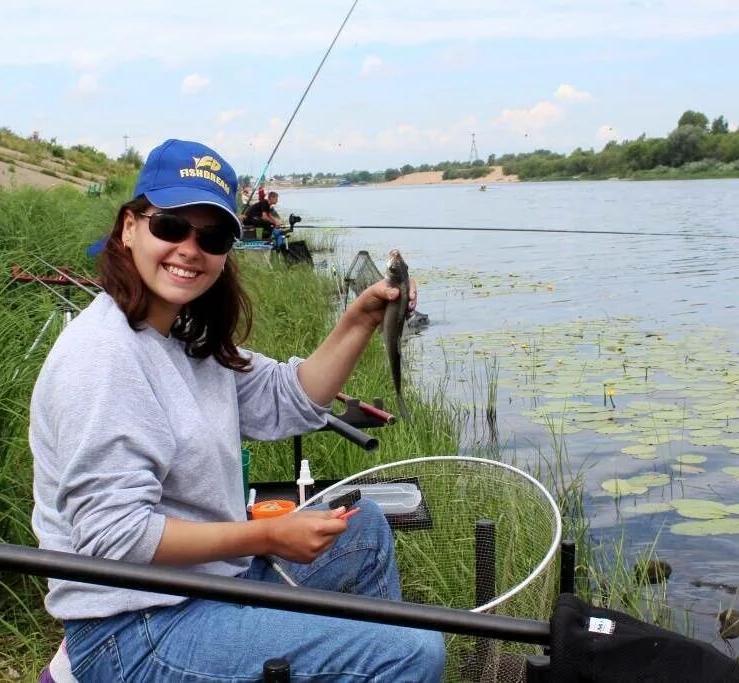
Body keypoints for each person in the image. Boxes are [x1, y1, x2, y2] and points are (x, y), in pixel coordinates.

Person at [31, 138, 444, 682]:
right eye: (170, 225)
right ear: (128, 227)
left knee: (361, 529)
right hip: (137, 627)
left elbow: (290, 399)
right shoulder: (104, 356)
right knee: (413, 653)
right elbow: (116, 538)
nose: (189, 248)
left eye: (213, 235)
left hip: (212, 582)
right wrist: (268, 536)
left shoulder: (181, 336)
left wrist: (362, 319)